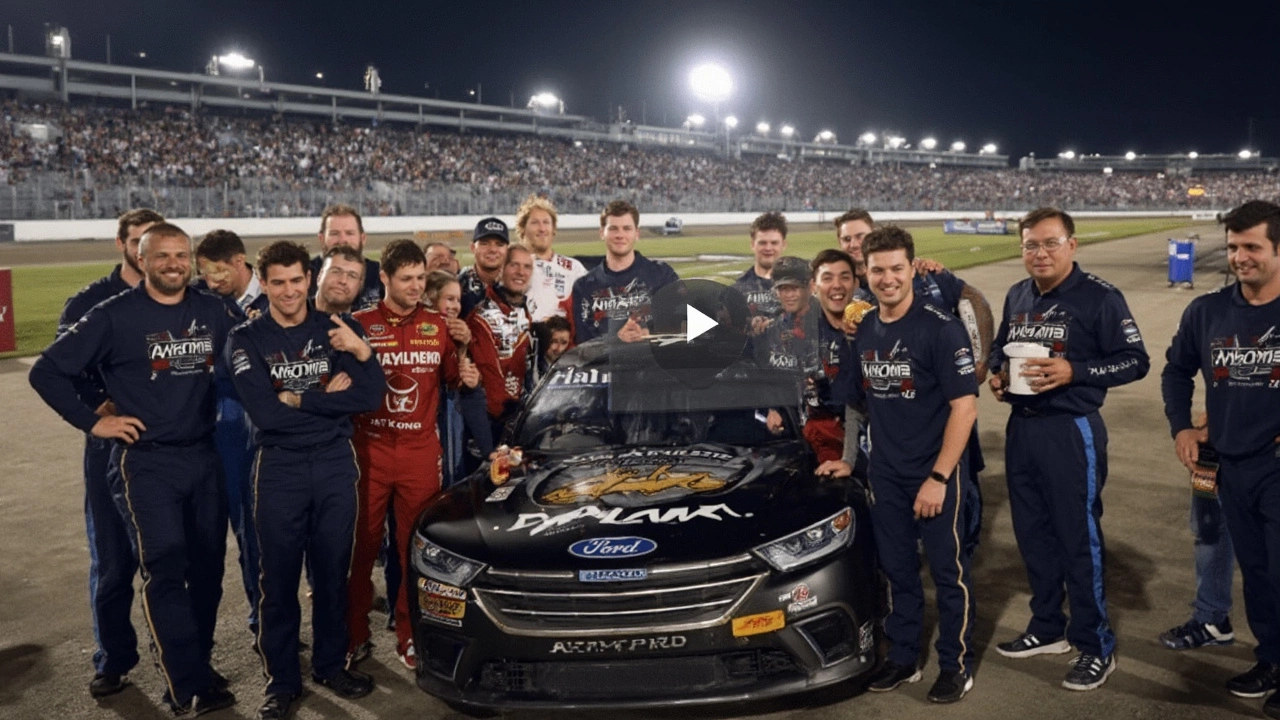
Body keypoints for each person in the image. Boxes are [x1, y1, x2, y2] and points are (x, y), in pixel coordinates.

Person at [31, 222, 239, 714]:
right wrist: (93, 423)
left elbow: (252, 349)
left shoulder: (211, 310)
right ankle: (185, 683)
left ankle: (196, 661)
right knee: (164, 567)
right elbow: (48, 371)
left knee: (208, 570)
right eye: (162, 256)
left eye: (181, 255)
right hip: (145, 463)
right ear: (141, 261)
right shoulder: (113, 316)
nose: (173, 264)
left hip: (203, 457)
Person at [989, 207, 1150, 691]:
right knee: (1033, 535)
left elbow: (1135, 361)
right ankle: (1046, 628)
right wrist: (998, 375)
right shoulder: (1018, 294)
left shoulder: (1099, 297)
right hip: (1023, 429)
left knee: (1078, 539)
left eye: (1049, 243)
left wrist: (1074, 371)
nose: (1039, 253)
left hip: (1071, 428)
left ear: (1072, 246)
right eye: (1030, 245)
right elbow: (1000, 348)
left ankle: (1095, 643)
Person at [225, 241, 386, 720]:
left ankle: (330, 665)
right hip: (280, 468)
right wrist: (324, 398)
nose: (290, 291)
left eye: (297, 280)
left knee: (333, 572)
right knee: (277, 580)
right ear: (264, 282)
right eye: (278, 282)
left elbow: (372, 394)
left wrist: (304, 398)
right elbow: (267, 415)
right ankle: (281, 682)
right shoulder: (246, 339)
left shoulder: (338, 328)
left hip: (335, 463)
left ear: (309, 277)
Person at [850, 226, 979, 704]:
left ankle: (955, 665)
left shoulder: (941, 328)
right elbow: (863, 403)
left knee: (949, 574)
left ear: (912, 267)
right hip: (887, 474)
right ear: (866, 272)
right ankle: (904, 657)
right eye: (878, 270)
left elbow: (965, 409)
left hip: (934, 474)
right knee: (899, 572)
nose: (887, 279)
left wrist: (939, 478)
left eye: (896, 268)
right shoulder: (865, 328)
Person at [1161, 200, 1280, 717]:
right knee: (1256, 572)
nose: (1240, 257)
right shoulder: (1207, 311)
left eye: (1252, 246)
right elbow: (1174, 371)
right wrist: (1182, 426)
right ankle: (1271, 660)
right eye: (1233, 247)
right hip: (1230, 464)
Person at [347, 241, 478, 671]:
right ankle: (354, 633)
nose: (415, 286)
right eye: (406, 279)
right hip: (369, 450)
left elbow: (455, 384)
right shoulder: (360, 324)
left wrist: (465, 357)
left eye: (421, 278)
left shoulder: (438, 324)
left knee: (413, 551)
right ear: (383, 278)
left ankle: (410, 635)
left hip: (421, 452)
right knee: (360, 547)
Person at [53, 207, 162, 698]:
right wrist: (96, 413)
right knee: (114, 561)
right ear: (121, 244)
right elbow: (61, 370)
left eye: (152, 243)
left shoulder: (184, 297)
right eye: (136, 241)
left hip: (169, 449)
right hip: (110, 450)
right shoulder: (88, 304)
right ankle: (113, 658)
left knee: (174, 560)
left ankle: (183, 658)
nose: (145, 252)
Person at [194, 228, 267, 645]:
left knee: (255, 531)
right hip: (213, 428)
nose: (211, 282)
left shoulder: (275, 292)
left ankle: (265, 621)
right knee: (206, 538)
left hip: (258, 427)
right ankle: (197, 640)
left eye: (218, 273)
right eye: (204, 274)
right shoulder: (201, 300)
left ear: (240, 262)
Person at [1155, 410, 1237, 651]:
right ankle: (1211, 619)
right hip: (1211, 446)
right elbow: (1177, 372)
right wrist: (1183, 427)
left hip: (1263, 447)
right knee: (1207, 525)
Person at [571, 200, 679, 344]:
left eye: (627, 228)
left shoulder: (662, 275)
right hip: (606, 366)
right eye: (613, 228)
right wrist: (617, 339)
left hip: (653, 364)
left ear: (637, 233)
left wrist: (648, 333)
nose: (620, 235)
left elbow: (685, 322)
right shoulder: (584, 287)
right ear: (602, 233)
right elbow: (583, 344)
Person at [424, 269, 493, 486]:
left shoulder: (459, 332)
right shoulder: (421, 331)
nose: (455, 306)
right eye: (449, 299)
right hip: (427, 422)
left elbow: (465, 387)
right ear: (429, 298)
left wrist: (464, 348)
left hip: (451, 421)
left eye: (458, 300)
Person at [468, 244, 536, 441]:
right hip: (494, 424)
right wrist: (507, 420)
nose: (521, 272)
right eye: (514, 265)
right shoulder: (483, 316)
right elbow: (488, 373)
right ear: (501, 269)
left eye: (527, 267)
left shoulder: (524, 311)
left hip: (520, 418)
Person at [517, 194, 586, 322]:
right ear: (522, 230)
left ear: (553, 229)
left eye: (546, 222)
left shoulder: (574, 268)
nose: (542, 228)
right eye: (535, 223)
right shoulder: (512, 269)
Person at [308, 204, 382, 311]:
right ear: (321, 238)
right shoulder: (303, 274)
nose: (342, 240)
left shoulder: (380, 275)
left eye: (349, 233)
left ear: (363, 238)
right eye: (334, 233)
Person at [733, 211, 788, 336]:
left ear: (784, 245)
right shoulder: (737, 290)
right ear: (753, 245)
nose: (768, 248)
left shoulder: (800, 288)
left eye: (774, 243)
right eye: (762, 243)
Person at [459, 217, 510, 316]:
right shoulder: (458, 285)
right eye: (485, 243)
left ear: (507, 250)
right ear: (473, 248)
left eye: (499, 244)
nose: (493, 249)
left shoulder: (515, 284)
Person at [313, 246, 367, 315]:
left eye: (352, 276)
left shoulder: (364, 323)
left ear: (360, 285)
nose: (343, 280)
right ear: (320, 276)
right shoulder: (297, 313)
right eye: (336, 271)